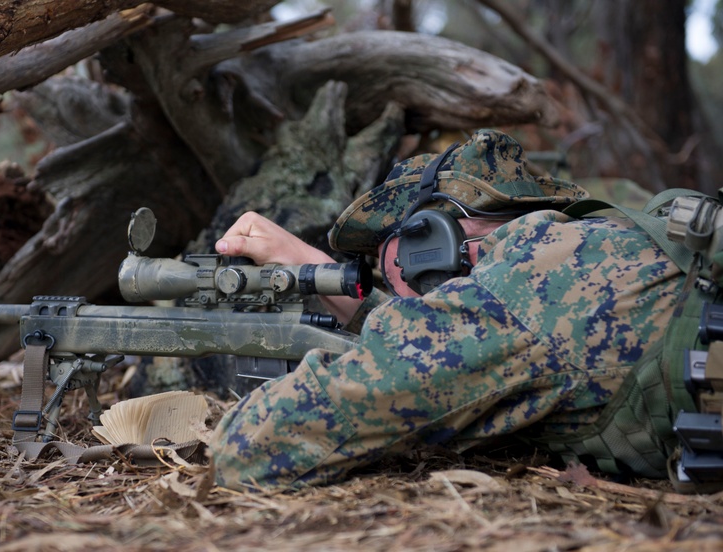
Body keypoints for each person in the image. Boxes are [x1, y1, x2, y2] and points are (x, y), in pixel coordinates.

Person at [207, 129, 689, 491]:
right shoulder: (574, 254)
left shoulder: (516, 288)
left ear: (429, 239)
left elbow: (247, 449)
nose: (393, 287)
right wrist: (315, 270)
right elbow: (455, 342)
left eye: (386, 260)